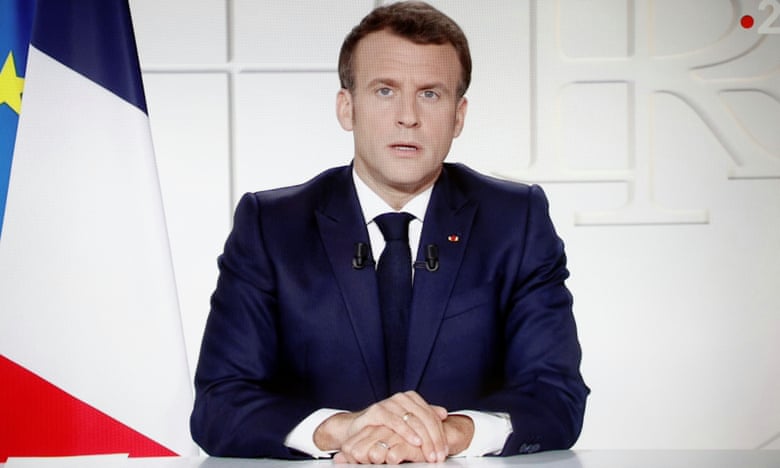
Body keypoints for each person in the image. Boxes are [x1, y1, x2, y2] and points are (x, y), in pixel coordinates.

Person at [190, 1, 588, 464]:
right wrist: (343, 429)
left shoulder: (515, 221)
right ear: (347, 107)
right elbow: (219, 403)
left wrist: (450, 434)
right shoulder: (271, 225)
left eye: (430, 94)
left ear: (458, 116)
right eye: (385, 90)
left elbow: (555, 396)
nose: (408, 116)